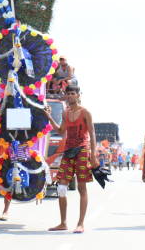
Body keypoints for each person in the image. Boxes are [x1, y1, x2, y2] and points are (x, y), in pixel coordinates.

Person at [43, 85, 99, 234]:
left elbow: (92, 134)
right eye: (68, 94)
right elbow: (61, 131)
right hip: (68, 151)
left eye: (72, 93)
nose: (70, 96)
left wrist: (93, 155)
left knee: (82, 187)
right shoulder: (65, 112)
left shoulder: (85, 112)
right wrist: (49, 117)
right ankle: (63, 223)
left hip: (82, 149)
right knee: (61, 187)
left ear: (78, 95)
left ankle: (80, 223)